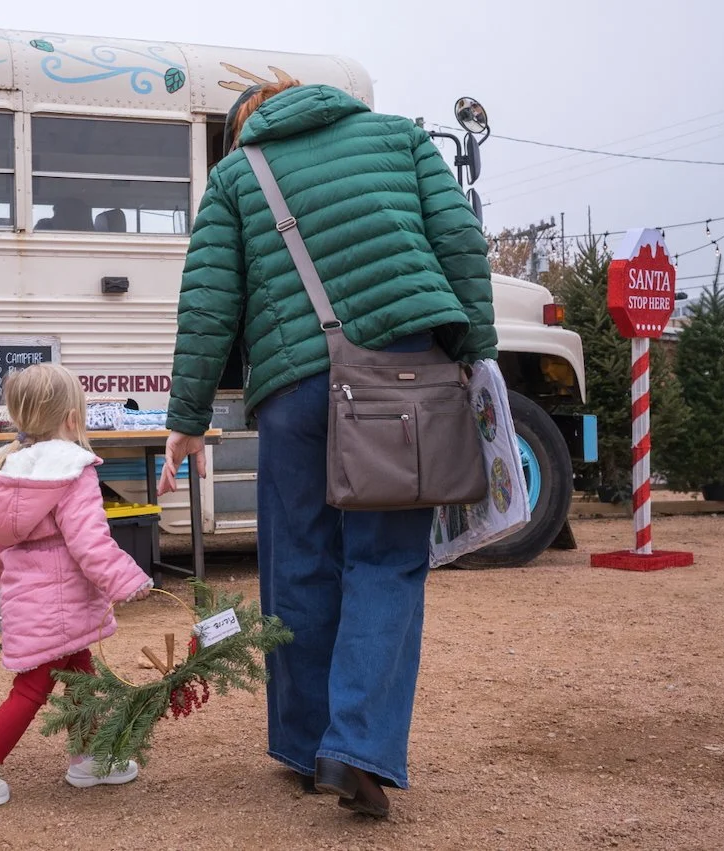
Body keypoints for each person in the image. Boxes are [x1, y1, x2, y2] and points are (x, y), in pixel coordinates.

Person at [158, 80, 496, 818]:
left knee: (299, 564)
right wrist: (474, 349)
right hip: (399, 380)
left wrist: (185, 417)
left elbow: (208, 299)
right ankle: (356, 747)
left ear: (247, 125)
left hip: (295, 390)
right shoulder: (400, 138)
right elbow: (462, 241)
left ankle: (307, 743)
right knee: (384, 558)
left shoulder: (236, 173)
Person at [0, 363, 155, 807]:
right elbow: (89, 541)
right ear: (73, 418)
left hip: (33, 606)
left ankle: (89, 760)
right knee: (31, 689)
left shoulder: (4, 471)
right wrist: (127, 580)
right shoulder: (72, 471)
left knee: (80, 677)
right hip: (63, 604)